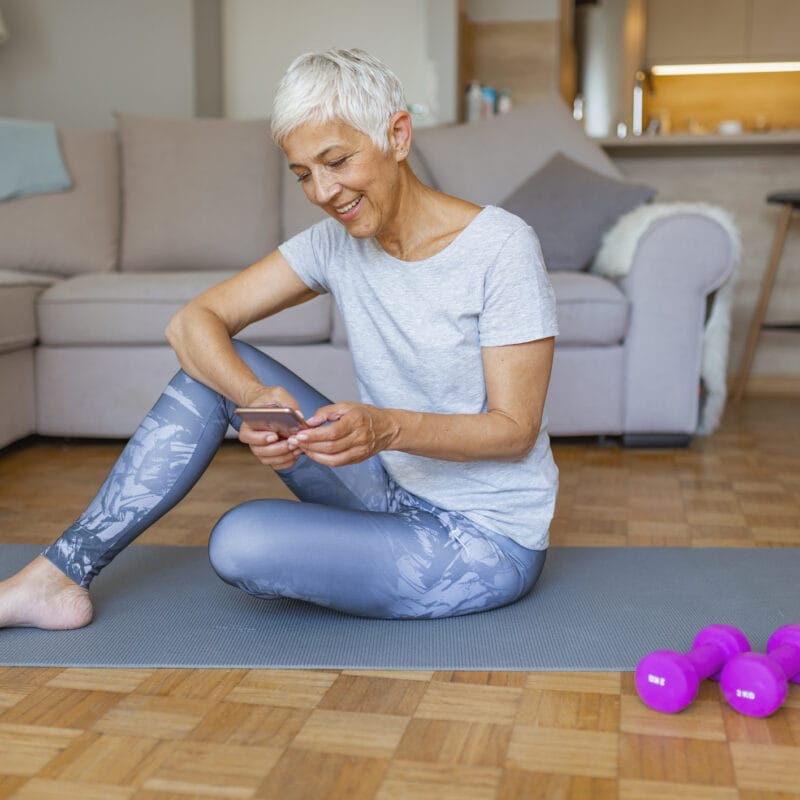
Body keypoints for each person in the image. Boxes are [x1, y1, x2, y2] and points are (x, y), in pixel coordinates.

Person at [0, 48, 558, 627]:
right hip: (385, 489)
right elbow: (191, 322)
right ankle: (58, 576)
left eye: (336, 161)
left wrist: (386, 426)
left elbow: (515, 432)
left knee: (241, 543)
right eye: (303, 174)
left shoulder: (501, 247)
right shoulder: (334, 242)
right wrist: (255, 400)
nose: (322, 191)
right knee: (218, 365)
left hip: (484, 539)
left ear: (397, 135)